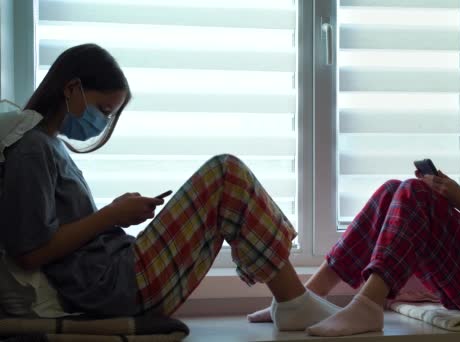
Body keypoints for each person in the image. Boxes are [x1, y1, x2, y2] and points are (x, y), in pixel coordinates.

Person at [0, 44, 342, 331]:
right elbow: (30, 251)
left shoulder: (50, 146)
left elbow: (68, 232)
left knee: (226, 177)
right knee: (226, 174)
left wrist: (116, 215)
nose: (102, 122)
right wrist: (109, 216)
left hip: (116, 274)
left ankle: (293, 300)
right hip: (112, 286)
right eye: (103, 109)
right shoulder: (32, 147)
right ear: (72, 89)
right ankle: (293, 301)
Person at [248, 63, 460, 337]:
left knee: (415, 192)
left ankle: (367, 307)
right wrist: (453, 204)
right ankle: (306, 296)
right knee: (395, 189)